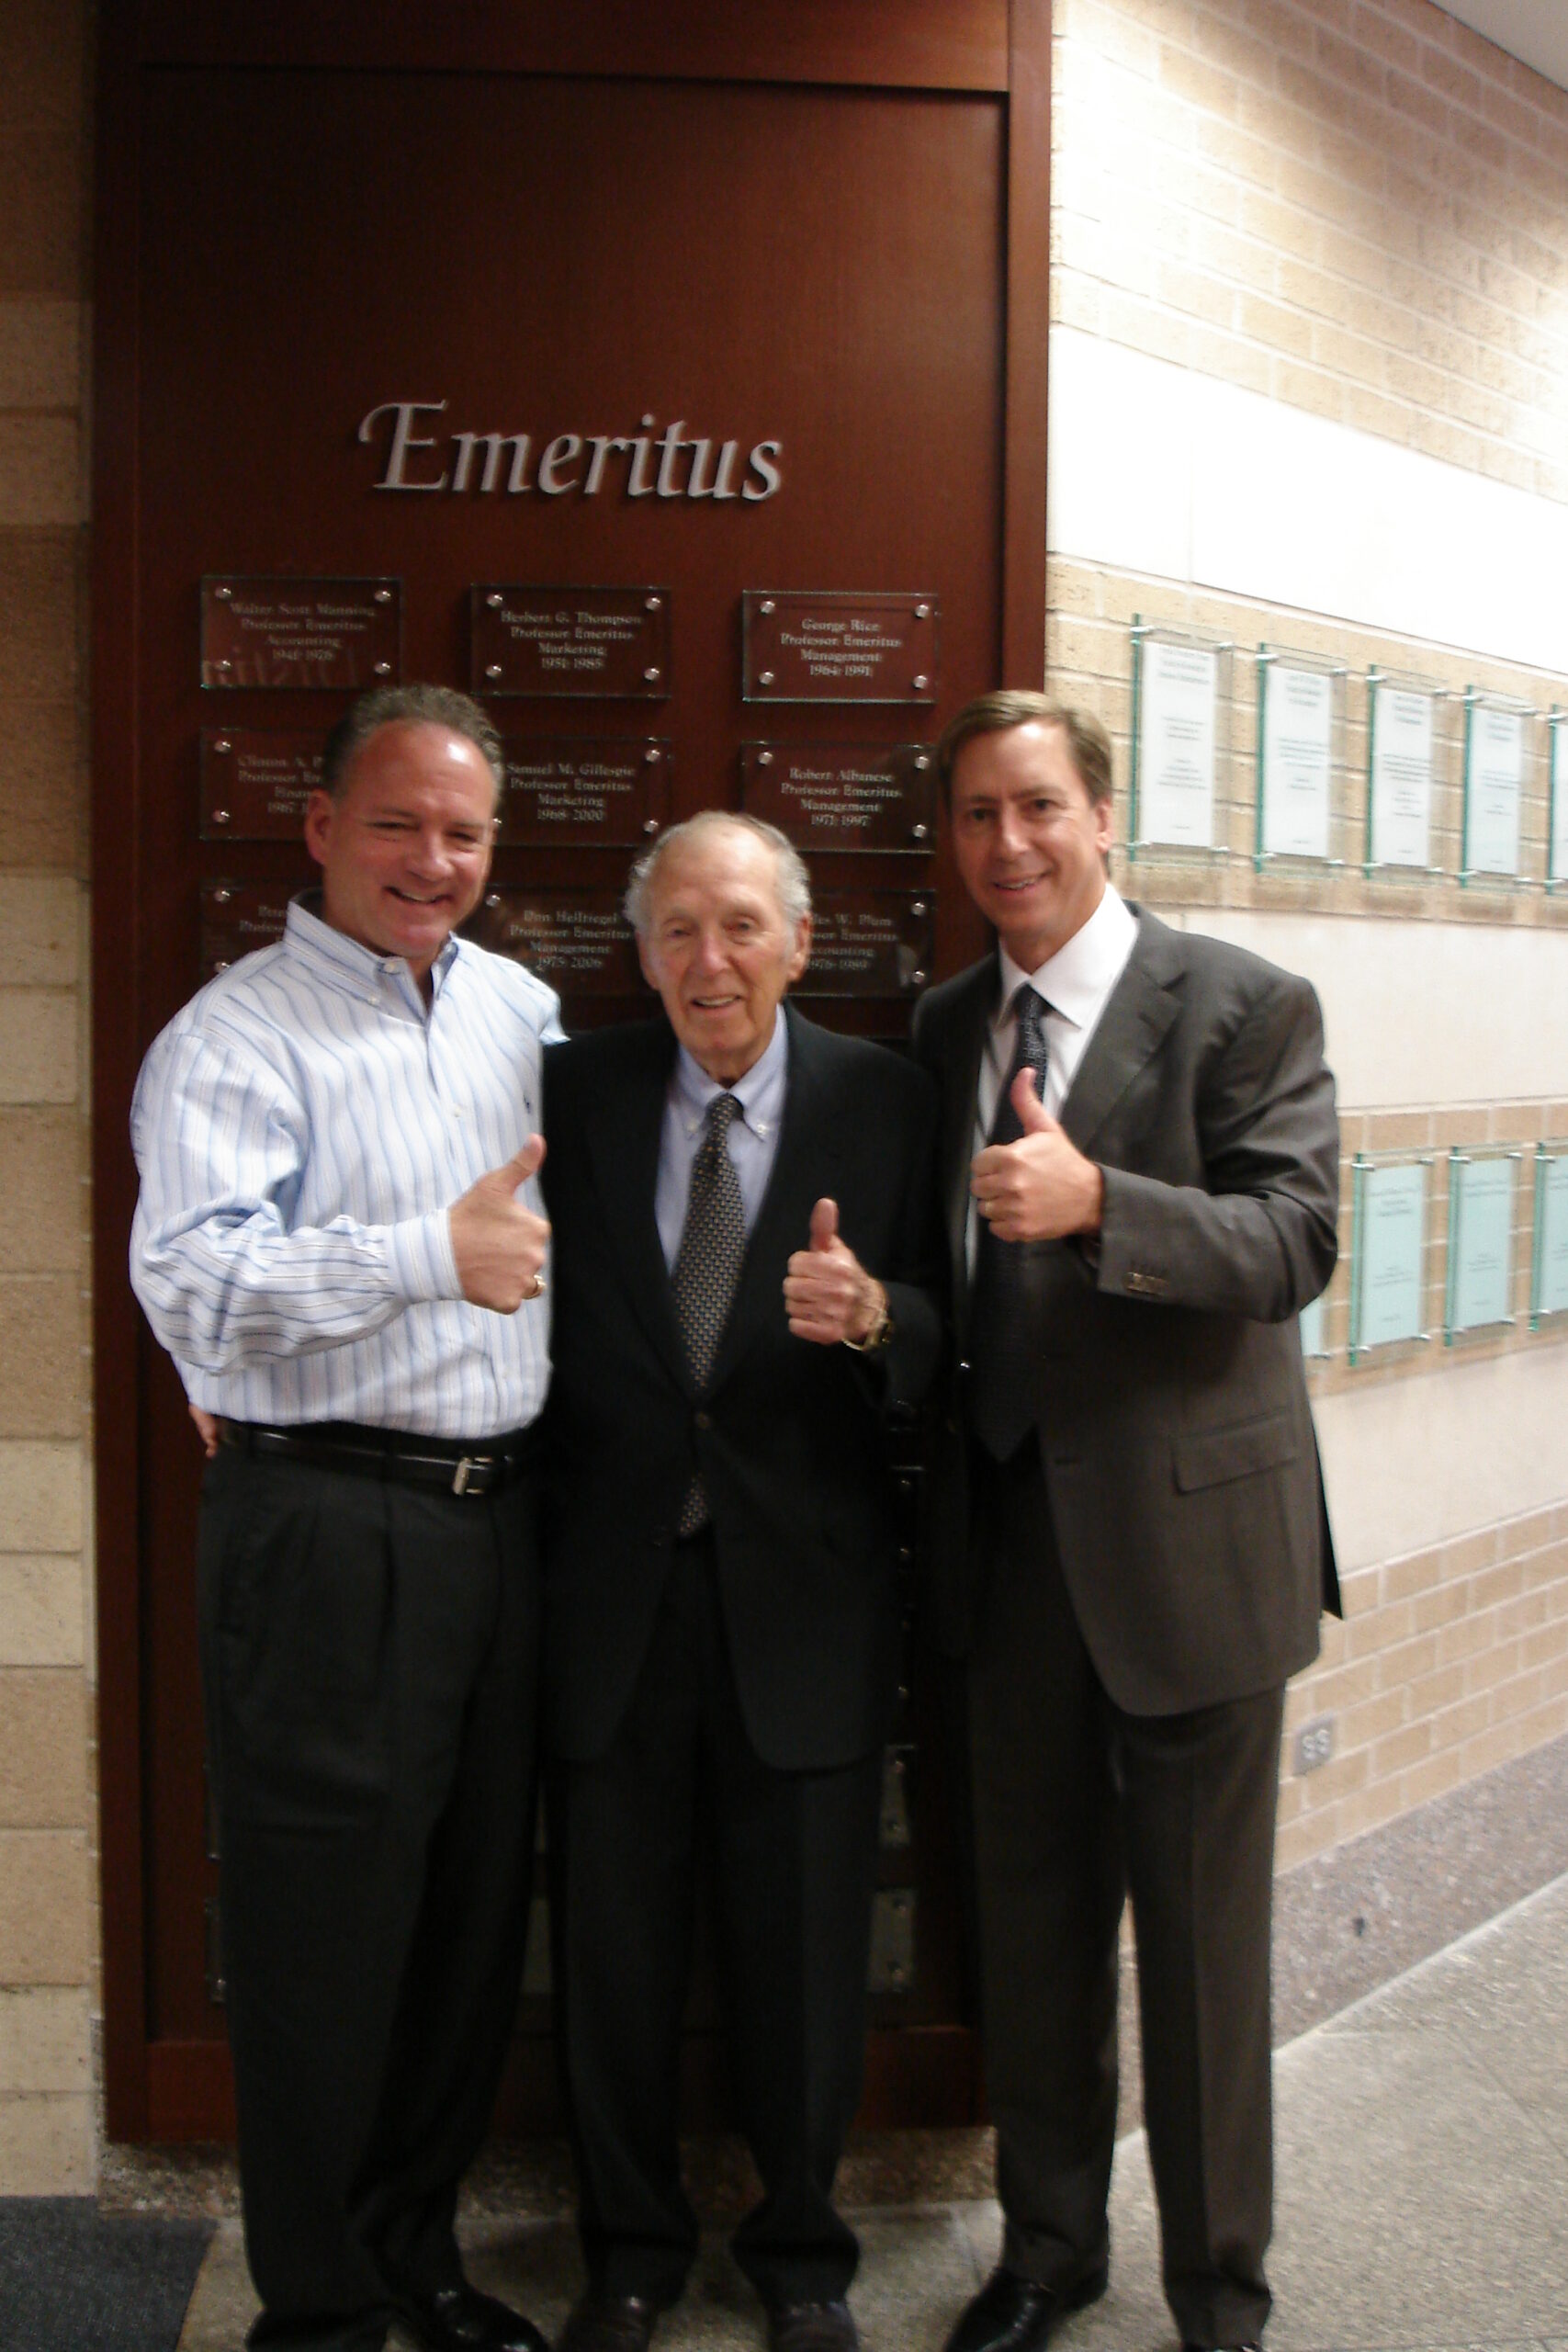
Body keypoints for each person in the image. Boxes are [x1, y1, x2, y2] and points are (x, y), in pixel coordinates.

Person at [130, 684, 561, 2352]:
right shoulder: (233, 1036)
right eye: (396, 824)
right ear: (320, 829)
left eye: (461, 832)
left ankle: (417, 2265)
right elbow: (190, 1280)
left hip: (497, 1526)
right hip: (327, 1532)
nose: (430, 860)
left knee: (463, 1932)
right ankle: (316, 2314)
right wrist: (413, 1255)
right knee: (324, 1944)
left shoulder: (521, 1008)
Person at [911, 693, 1340, 2352]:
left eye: (1037, 808)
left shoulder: (1241, 1003)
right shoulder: (950, 1021)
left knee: (1206, 1961)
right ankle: (1046, 2252)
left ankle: (1220, 2294)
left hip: (1194, 1565)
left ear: (1104, 817)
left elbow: (1294, 1242)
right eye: (975, 817)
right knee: (1032, 1936)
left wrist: (1107, 1207)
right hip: (1007, 1555)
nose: (1007, 844)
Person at [538, 811, 942, 2352]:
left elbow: (956, 1341)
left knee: (803, 1966)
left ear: (800, 938)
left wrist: (878, 1315)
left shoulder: (888, 1103)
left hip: (808, 1609)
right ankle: (629, 2253)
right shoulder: (574, 1092)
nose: (711, 962)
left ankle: (802, 2255)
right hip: (612, 1607)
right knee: (614, 1959)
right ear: (642, 953)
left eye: (740, 927)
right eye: (677, 932)